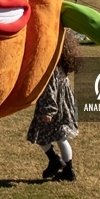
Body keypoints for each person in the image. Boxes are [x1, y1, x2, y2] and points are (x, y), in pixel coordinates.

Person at [26, 33, 80, 181]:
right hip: (64, 103)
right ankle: (68, 170)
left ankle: (55, 161)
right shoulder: (62, 60)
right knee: (60, 136)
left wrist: (48, 110)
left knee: (41, 134)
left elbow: (51, 88)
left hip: (52, 104)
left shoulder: (51, 63)